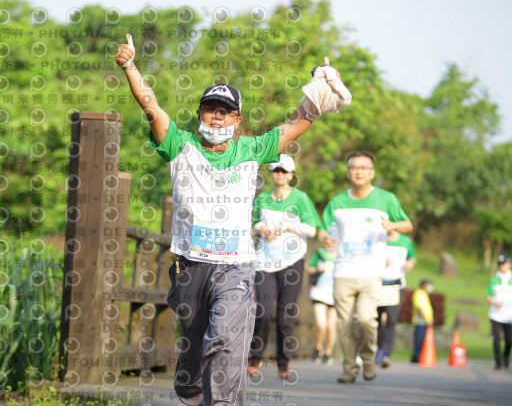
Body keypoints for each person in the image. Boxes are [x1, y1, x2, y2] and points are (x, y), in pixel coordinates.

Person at [115, 34, 351, 405]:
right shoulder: (180, 146)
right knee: (193, 351)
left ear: (237, 120)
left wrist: (319, 91)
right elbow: (151, 108)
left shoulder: (252, 149)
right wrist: (130, 66)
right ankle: (190, 388)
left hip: (235, 268)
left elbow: (296, 124)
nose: (218, 115)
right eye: (211, 108)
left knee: (225, 338)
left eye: (225, 110)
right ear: (200, 114)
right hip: (191, 266)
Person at [318, 151, 413, 384]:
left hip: (371, 271)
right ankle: (349, 369)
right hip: (343, 272)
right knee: (346, 324)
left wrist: (392, 224)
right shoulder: (337, 202)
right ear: (348, 172)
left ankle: (368, 360)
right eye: (354, 167)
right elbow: (324, 229)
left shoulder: (386, 199)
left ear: (372, 173)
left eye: (364, 167)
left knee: (366, 319)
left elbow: (408, 224)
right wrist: (325, 239)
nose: (359, 171)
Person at [246, 154, 320, 378]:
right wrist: (261, 228)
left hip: (291, 261)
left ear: (291, 175)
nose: (279, 174)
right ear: (271, 174)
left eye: (283, 171)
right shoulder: (262, 199)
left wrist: (287, 226)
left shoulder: (301, 199)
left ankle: (283, 363)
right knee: (264, 311)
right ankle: (255, 358)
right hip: (265, 261)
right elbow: (251, 224)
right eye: (276, 170)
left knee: (285, 314)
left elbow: (312, 229)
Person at [375, 230, 417, 368]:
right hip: (377, 283)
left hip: (396, 286)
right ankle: (377, 349)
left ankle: (387, 353)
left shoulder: (406, 241)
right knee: (376, 319)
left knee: (392, 320)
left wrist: (410, 263)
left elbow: (412, 257)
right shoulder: (378, 238)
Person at [306, 243, 337, 366]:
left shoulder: (342, 255)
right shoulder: (319, 253)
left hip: (335, 294)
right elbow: (309, 267)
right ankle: (318, 348)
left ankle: (328, 353)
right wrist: (318, 269)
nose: (329, 242)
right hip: (319, 292)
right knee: (321, 324)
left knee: (331, 326)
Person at [485, 254, 512, 370]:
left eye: (505, 264)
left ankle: (506, 356)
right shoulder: (494, 279)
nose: (503, 267)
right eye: (501, 265)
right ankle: (497, 361)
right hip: (495, 314)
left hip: (509, 315)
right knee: (496, 339)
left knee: (509, 339)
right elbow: (488, 295)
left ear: (509, 265)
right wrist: (494, 303)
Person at [411, 279, 434, 363]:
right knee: (419, 340)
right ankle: (417, 357)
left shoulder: (424, 294)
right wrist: (426, 319)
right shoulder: (419, 293)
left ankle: (416, 357)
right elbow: (419, 307)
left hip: (424, 321)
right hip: (420, 321)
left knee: (422, 340)